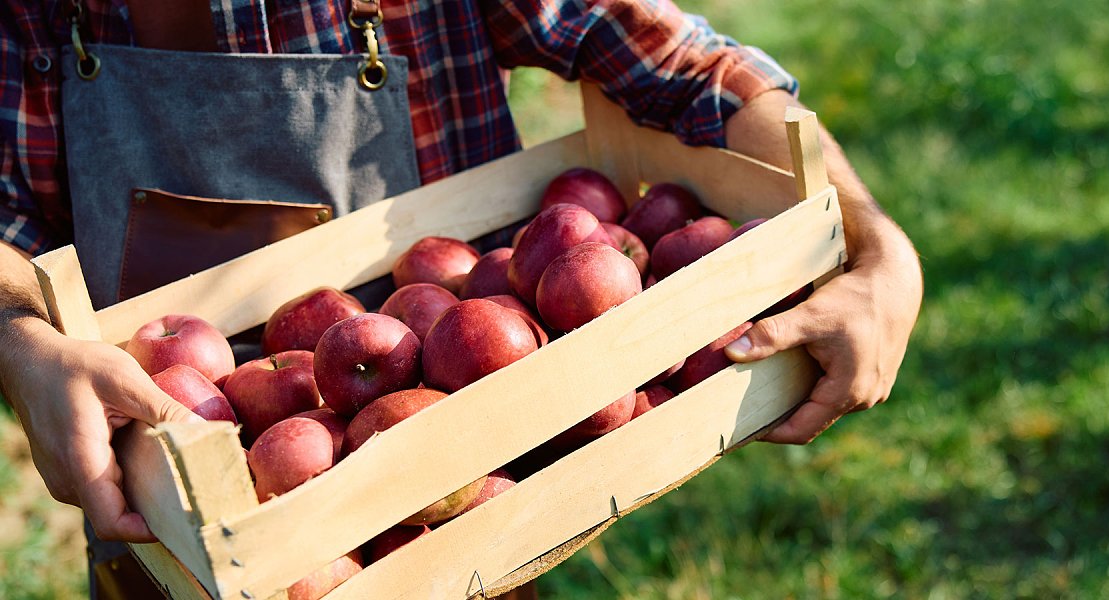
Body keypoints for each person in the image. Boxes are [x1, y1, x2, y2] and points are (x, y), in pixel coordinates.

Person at [0, 0, 922, 597]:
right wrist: (20, 341)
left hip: (465, 501)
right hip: (179, 508)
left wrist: (877, 248)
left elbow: (682, 64)